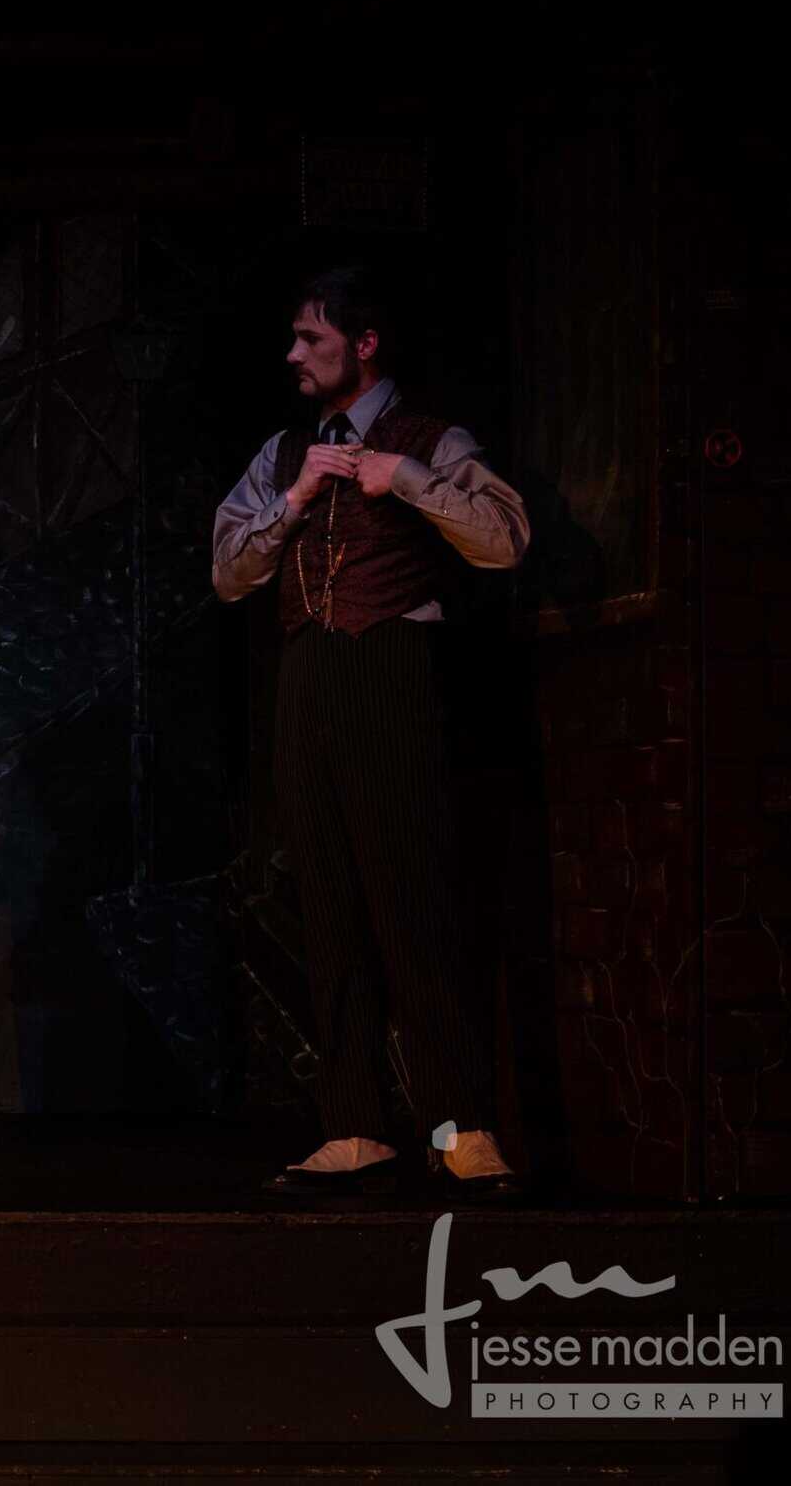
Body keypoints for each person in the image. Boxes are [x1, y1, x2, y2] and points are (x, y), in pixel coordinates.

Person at [211, 264, 530, 1198]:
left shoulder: (432, 439)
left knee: (414, 900)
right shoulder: (284, 454)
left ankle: (458, 1126)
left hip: (394, 669)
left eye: (311, 338)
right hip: (307, 676)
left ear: (364, 344)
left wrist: (411, 480)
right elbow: (228, 575)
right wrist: (295, 501)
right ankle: (354, 1125)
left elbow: (506, 539)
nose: (294, 355)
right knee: (329, 902)